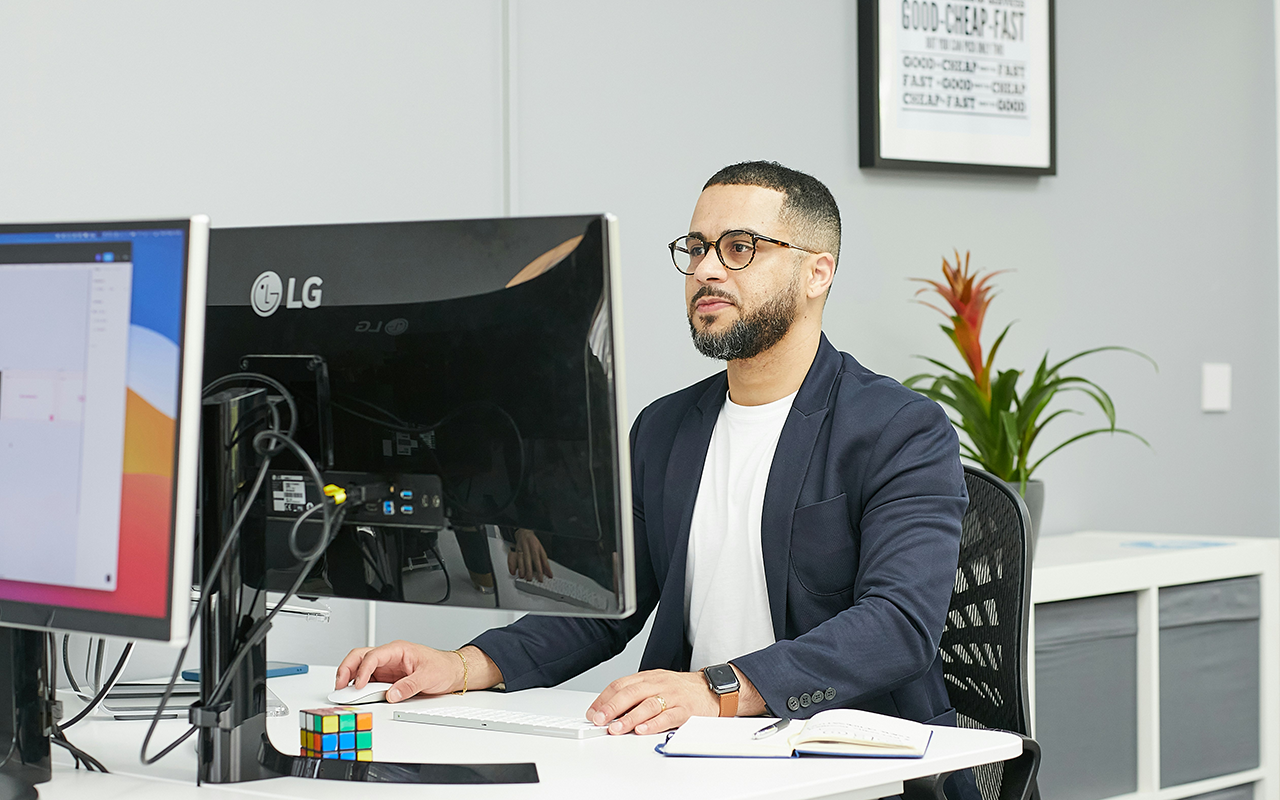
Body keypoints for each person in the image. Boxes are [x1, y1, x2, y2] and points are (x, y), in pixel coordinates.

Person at [336, 160, 968, 754]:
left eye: (739, 247)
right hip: (694, 752)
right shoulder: (665, 428)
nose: (706, 269)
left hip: (852, 758)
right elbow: (606, 609)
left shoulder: (899, 430)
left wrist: (717, 691)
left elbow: (897, 626)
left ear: (817, 274)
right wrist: (463, 666)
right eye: (696, 248)